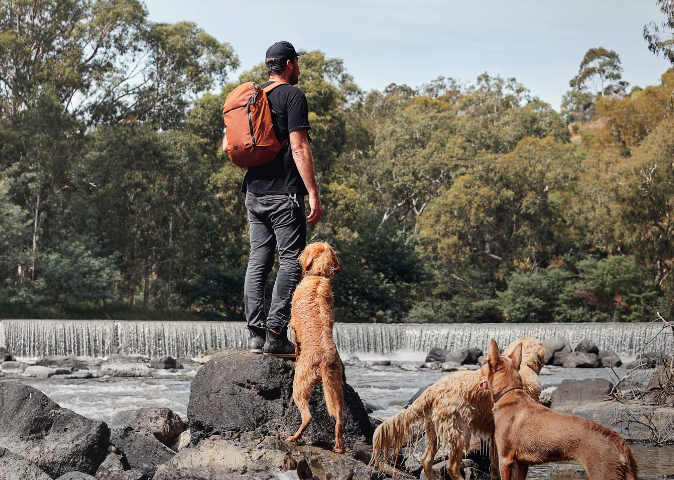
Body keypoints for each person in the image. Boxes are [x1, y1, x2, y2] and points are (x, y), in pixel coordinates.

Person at [223, 41, 322, 357]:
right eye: (298, 63)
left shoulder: (253, 96)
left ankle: (255, 335)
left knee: (258, 260)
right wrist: (313, 193)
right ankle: (276, 335)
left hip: (253, 193)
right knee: (293, 260)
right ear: (291, 64)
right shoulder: (293, 95)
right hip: (284, 195)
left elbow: (230, 143)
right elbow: (299, 147)